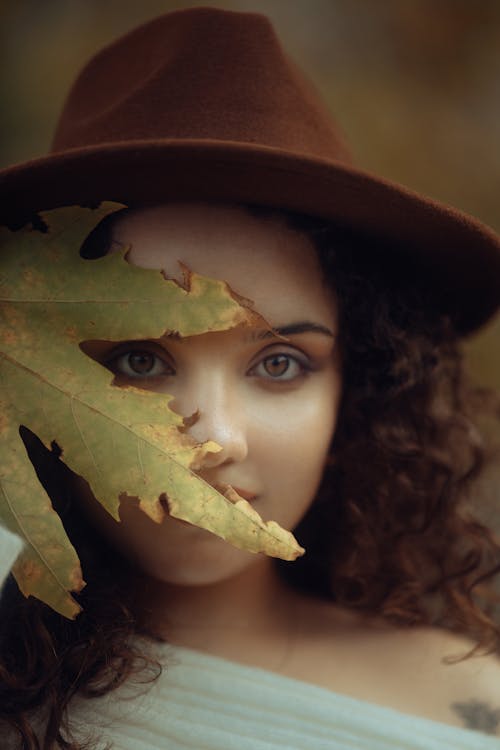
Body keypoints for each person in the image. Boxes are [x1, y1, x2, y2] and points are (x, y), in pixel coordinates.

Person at [1, 7, 500, 749]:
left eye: (278, 364)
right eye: (137, 361)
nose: (212, 441)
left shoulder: (472, 695)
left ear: (356, 397)